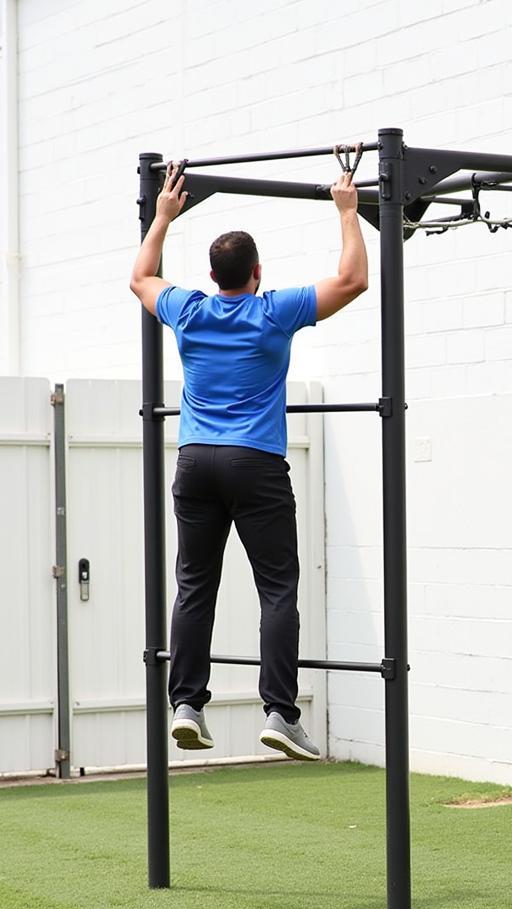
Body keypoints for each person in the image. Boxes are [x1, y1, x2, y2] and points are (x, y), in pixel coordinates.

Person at [130, 161, 368, 758]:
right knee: (277, 589)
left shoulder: (188, 310)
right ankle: (280, 712)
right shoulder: (273, 311)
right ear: (257, 273)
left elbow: (141, 276)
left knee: (193, 586)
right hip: (256, 464)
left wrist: (162, 217)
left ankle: (186, 702)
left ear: (212, 275)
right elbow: (354, 279)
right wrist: (346, 209)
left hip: (195, 461)